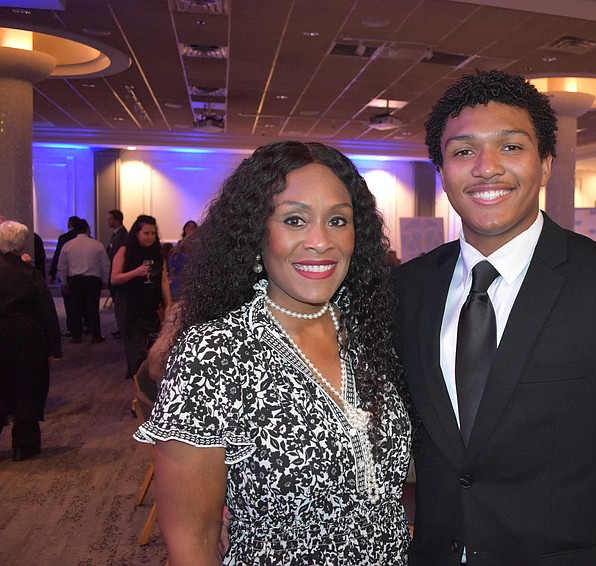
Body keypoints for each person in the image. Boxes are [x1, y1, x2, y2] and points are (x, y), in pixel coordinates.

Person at [394, 70, 596, 564]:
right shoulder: (408, 289)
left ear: (544, 166)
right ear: (442, 171)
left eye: (511, 147)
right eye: (463, 151)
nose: (486, 168)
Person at [135, 141, 411, 565]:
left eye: (338, 220)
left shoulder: (374, 330)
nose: (320, 241)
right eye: (294, 220)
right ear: (254, 232)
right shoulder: (214, 353)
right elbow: (193, 541)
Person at [0, 220, 62, 461]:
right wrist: (54, 347)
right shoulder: (30, 274)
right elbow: (47, 311)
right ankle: (23, 446)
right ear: (22, 243)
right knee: (27, 388)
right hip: (28, 337)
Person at [111, 215, 170, 378]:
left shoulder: (157, 251)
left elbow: (163, 279)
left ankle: (150, 384)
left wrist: (168, 303)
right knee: (136, 349)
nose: (150, 237)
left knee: (154, 349)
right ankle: (138, 383)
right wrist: (135, 272)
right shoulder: (125, 250)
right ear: (137, 233)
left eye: (153, 233)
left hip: (151, 306)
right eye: (146, 233)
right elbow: (114, 278)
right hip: (130, 306)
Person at [57, 218, 110, 344]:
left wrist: (64, 282)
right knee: (93, 308)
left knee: (75, 308)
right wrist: (105, 279)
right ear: (87, 229)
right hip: (92, 280)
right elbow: (105, 264)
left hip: (74, 280)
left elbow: (62, 266)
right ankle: (95, 335)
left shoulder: (68, 245)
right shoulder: (97, 244)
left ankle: (76, 336)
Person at [106, 209, 128, 339]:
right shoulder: (116, 234)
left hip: (118, 274)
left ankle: (123, 329)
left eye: (110, 219)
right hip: (113, 273)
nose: (108, 221)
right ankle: (121, 328)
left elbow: (115, 255)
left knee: (120, 305)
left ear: (117, 221)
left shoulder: (121, 235)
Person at [165, 219, 197, 302]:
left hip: (187, 277)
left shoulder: (197, 245)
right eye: (188, 226)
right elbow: (170, 259)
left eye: (193, 227)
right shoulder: (178, 245)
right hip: (174, 276)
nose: (190, 228)